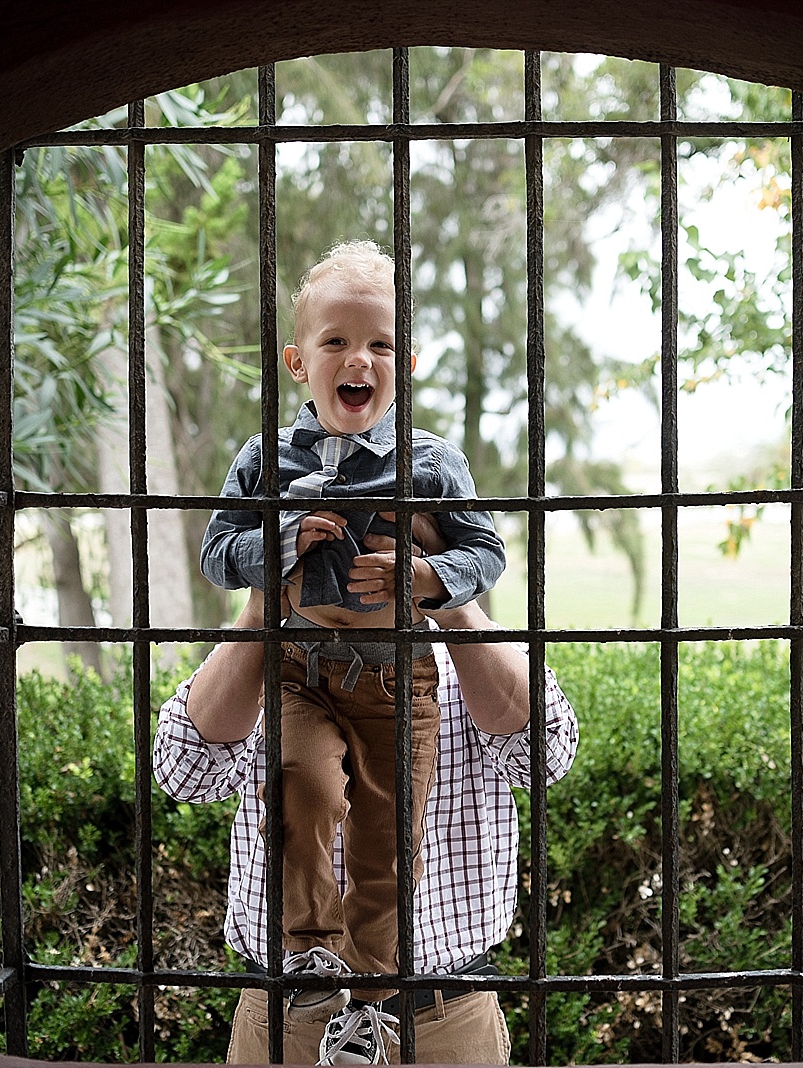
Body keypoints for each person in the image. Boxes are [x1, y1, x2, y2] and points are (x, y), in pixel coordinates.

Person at [196, 241, 510, 1062]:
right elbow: (217, 550)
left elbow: (487, 553)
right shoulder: (267, 461)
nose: (357, 359)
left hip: (397, 682)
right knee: (297, 783)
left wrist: (428, 576)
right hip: (301, 672)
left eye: (378, 345)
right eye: (336, 342)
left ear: (403, 363)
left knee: (386, 833)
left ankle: (371, 997)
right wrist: (279, 545)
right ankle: (307, 948)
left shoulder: (432, 464)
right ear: (301, 361)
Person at [155, 524, 578, 1064]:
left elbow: (544, 758)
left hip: (445, 1014)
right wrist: (262, 609)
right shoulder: (275, 658)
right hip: (289, 1012)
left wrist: (450, 604)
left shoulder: (468, 655)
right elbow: (184, 771)